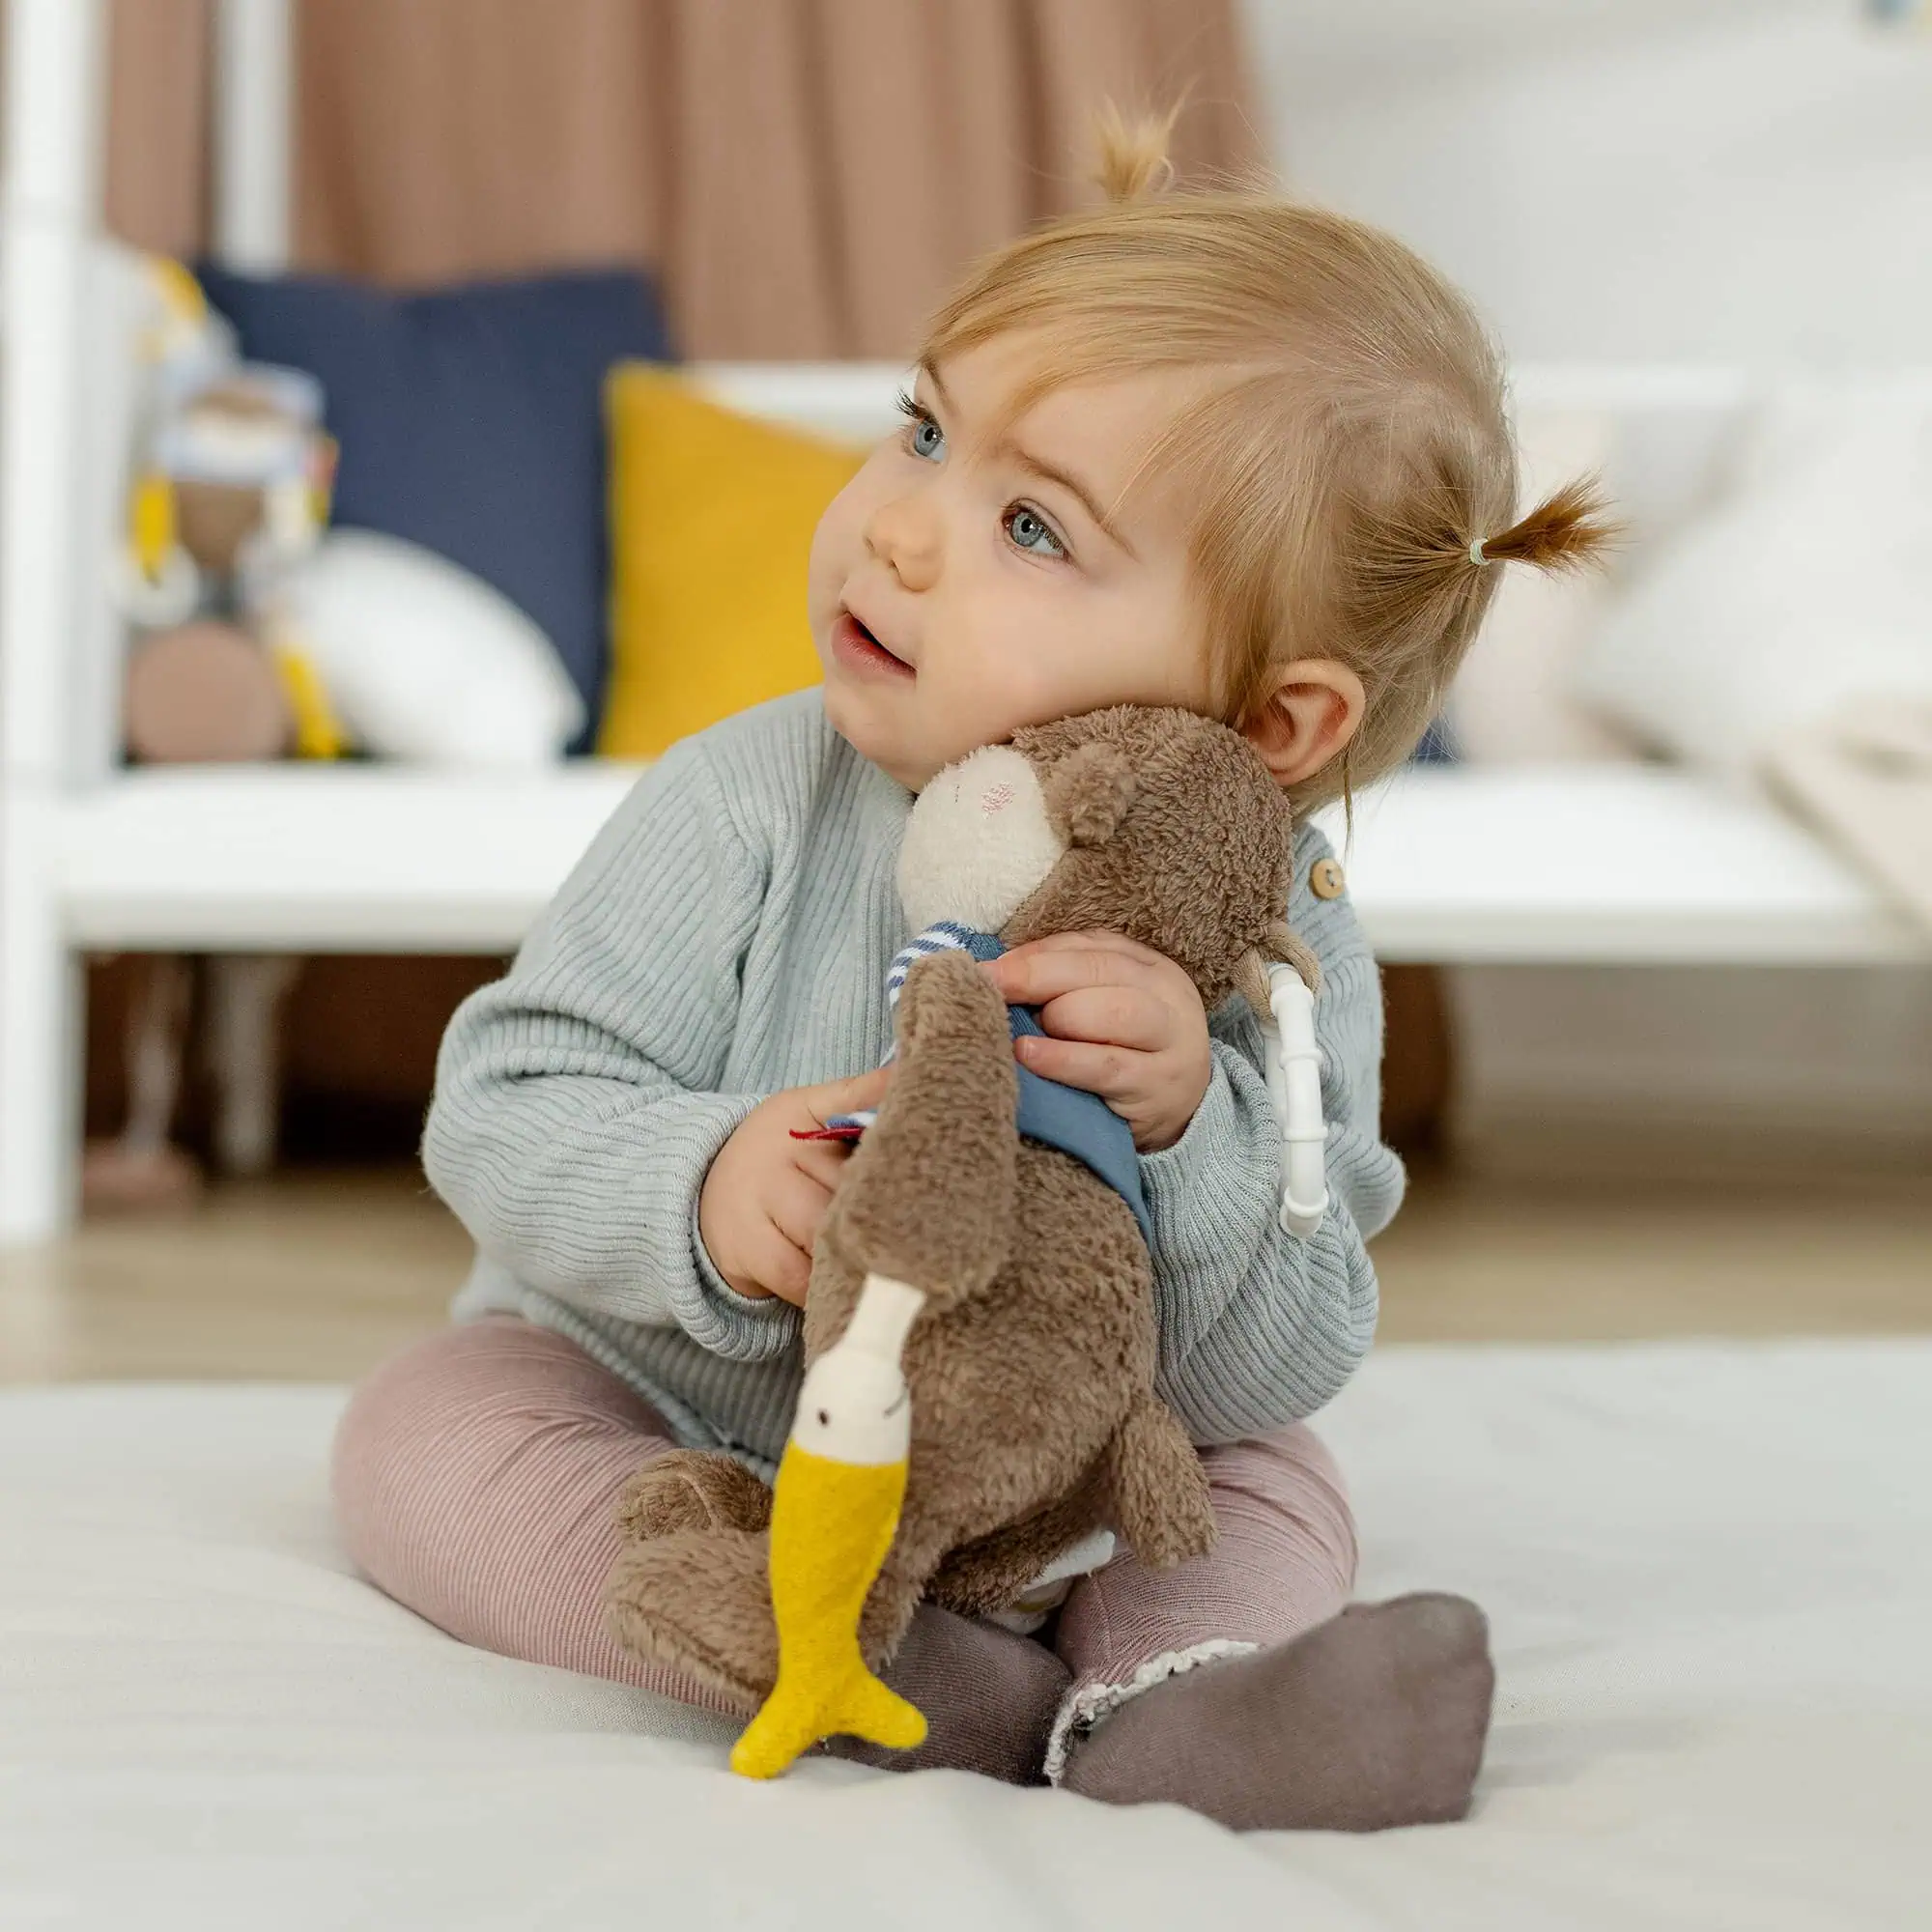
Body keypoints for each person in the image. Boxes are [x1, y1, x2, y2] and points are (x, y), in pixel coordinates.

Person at [331, 109, 1612, 1832]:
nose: (899, 530)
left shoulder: (1278, 951)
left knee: (1267, 1482)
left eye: (1032, 530)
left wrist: (1190, 1134)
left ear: (1266, 720)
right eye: (924, 431)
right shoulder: (750, 790)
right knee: (432, 1425)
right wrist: (709, 1192)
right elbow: (504, 1103)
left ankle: (1181, 1707)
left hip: (1065, 1477)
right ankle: (869, 1660)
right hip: (682, 1415)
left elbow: (1280, 1357)